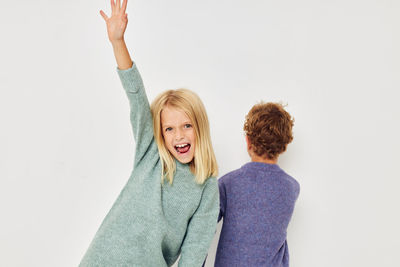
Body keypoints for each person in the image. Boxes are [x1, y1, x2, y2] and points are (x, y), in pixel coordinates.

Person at [79, 0, 219, 266]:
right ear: (161, 134)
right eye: (169, 129)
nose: (179, 136)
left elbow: (196, 248)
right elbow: (136, 96)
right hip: (102, 259)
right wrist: (118, 42)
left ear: (200, 127)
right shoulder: (151, 154)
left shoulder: (207, 187)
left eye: (187, 126)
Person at [215, 102, 300, 267]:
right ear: (284, 146)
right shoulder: (292, 188)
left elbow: (202, 229)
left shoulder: (228, 184)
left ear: (248, 142)